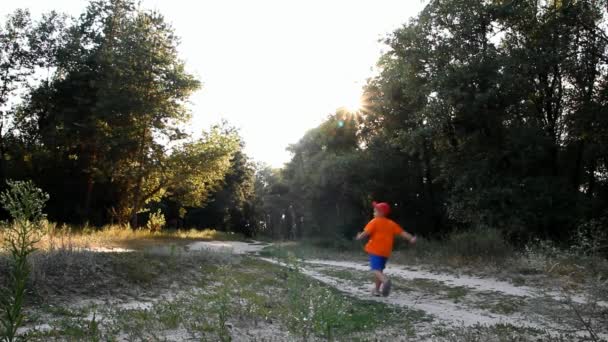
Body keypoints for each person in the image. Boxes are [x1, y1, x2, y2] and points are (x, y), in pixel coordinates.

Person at [356, 201, 416, 297]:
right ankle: (376, 290)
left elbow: (366, 233)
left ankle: (385, 281)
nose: (373, 213)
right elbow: (402, 233)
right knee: (379, 271)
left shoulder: (374, 221)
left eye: (375, 211)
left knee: (375, 269)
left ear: (381, 212)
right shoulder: (391, 223)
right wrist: (411, 238)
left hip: (375, 250)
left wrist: (359, 237)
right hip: (385, 252)